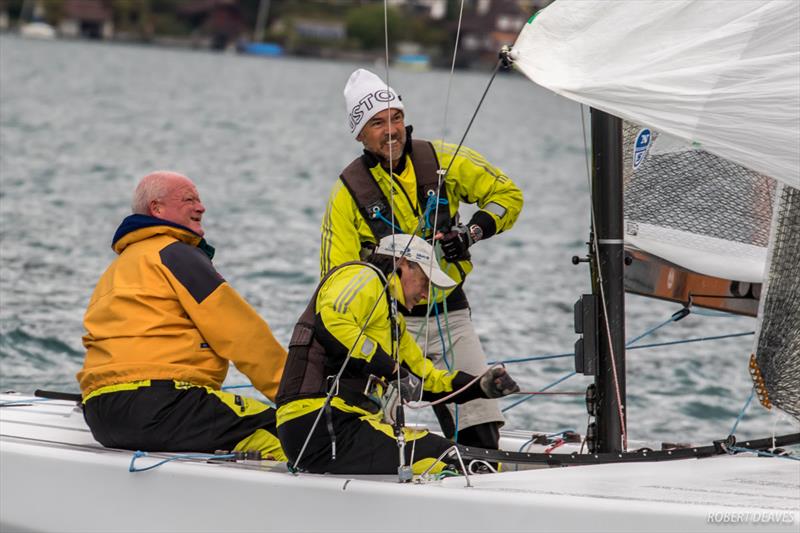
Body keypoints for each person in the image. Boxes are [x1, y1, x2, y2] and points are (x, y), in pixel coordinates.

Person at [320, 69, 524, 450]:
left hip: (451, 312)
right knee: (371, 429)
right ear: (359, 134)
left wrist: (472, 233)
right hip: (389, 325)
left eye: (396, 117)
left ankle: (481, 479)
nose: (391, 129)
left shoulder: (443, 159)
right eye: (377, 123)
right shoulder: (347, 193)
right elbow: (337, 279)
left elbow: (508, 195)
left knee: (480, 423)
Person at [77, 171, 287, 460]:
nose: (201, 207)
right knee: (291, 432)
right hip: (164, 406)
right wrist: (298, 396)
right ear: (157, 209)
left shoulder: (115, 271)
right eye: (189, 199)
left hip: (102, 415)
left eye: (199, 200)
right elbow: (241, 334)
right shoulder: (175, 254)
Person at [276, 234, 519, 475]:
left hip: (344, 426)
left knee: (451, 455)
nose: (426, 295)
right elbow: (333, 321)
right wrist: (391, 370)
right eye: (425, 282)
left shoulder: (393, 323)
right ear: (403, 265)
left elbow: (426, 379)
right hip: (318, 424)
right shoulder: (364, 276)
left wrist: (481, 385)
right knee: (449, 457)